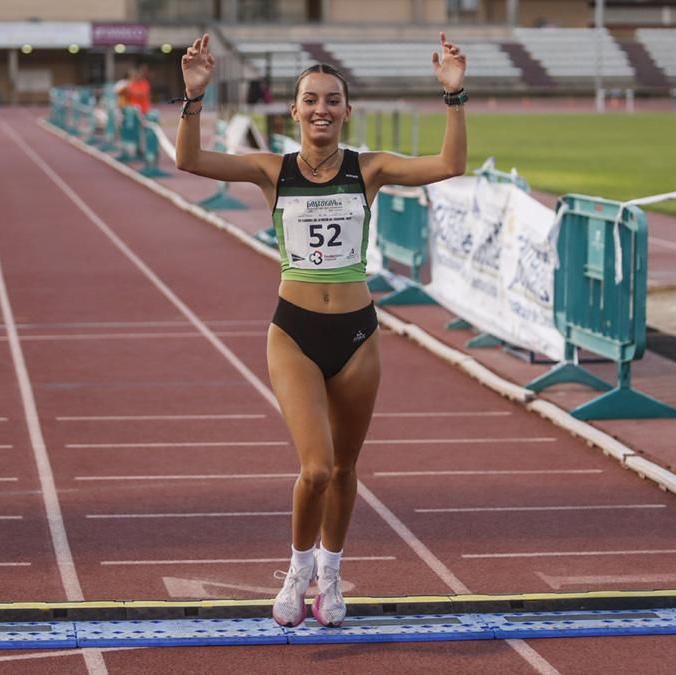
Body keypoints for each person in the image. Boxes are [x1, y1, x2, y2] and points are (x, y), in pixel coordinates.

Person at [175, 33, 467, 628]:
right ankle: (297, 570)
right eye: (311, 100)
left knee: (345, 469)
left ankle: (331, 577)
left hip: (358, 335)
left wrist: (454, 96)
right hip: (295, 333)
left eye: (333, 100)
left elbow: (449, 165)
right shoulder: (271, 170)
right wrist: (194, 98)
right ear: (294, 110)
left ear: (346, 110)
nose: (321, 110)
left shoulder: (370, 169)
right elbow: (189, 161)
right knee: (315, 467)